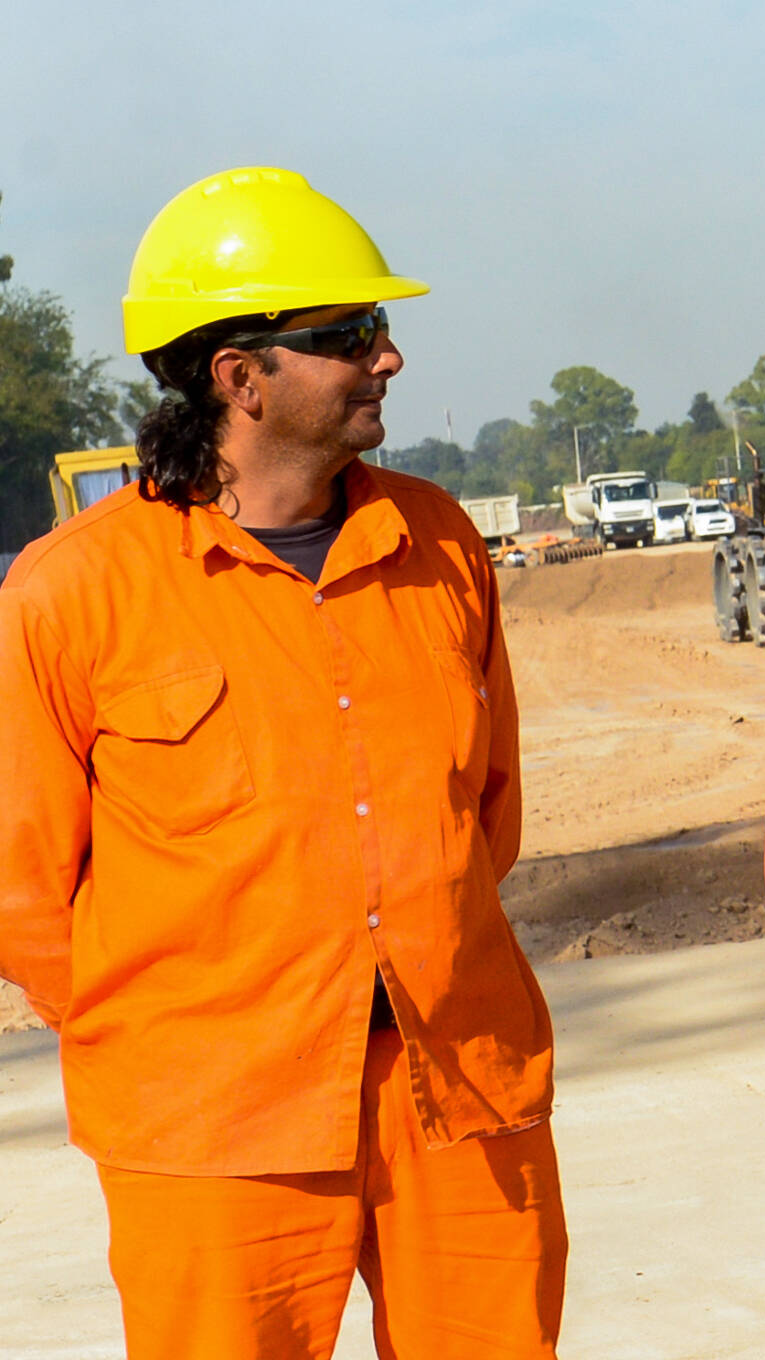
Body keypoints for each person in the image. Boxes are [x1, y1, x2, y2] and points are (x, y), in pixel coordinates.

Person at [0, 166, 566, 1359]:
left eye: (381, 328)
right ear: (240, 376)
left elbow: (488, 814)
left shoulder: (441, 543)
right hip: (211, 1125)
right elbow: (23, 891)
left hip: (458, 1087)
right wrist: (177, 1037)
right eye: (349, 335)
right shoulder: (73, 591)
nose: (389, 357)